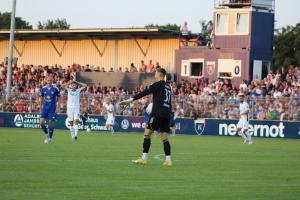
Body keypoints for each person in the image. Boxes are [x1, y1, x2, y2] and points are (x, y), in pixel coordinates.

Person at [120, 68, 173, 166]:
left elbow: (145, 92)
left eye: (156, 73)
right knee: (164, 137)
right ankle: (168, 160)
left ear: (160, 75)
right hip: (167, 113)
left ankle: (144, 158)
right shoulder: (168, 87)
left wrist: (131, 99)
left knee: (147, 133)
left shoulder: (158, 84)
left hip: (158, 113)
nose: (154, 74)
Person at [39, 76, 60, 144]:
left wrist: (58, 106)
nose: (49, 82)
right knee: (41, 122)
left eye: (51, 80)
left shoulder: (56, 89)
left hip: (52, 109)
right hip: (45, 108)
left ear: (52, 81)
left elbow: (59, 98)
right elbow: (41, 97)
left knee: (50, 122)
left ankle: (50, 138)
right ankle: (46, 134)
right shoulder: (43, 88)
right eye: (48, 80)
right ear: (46, 81)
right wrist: (40, 106)